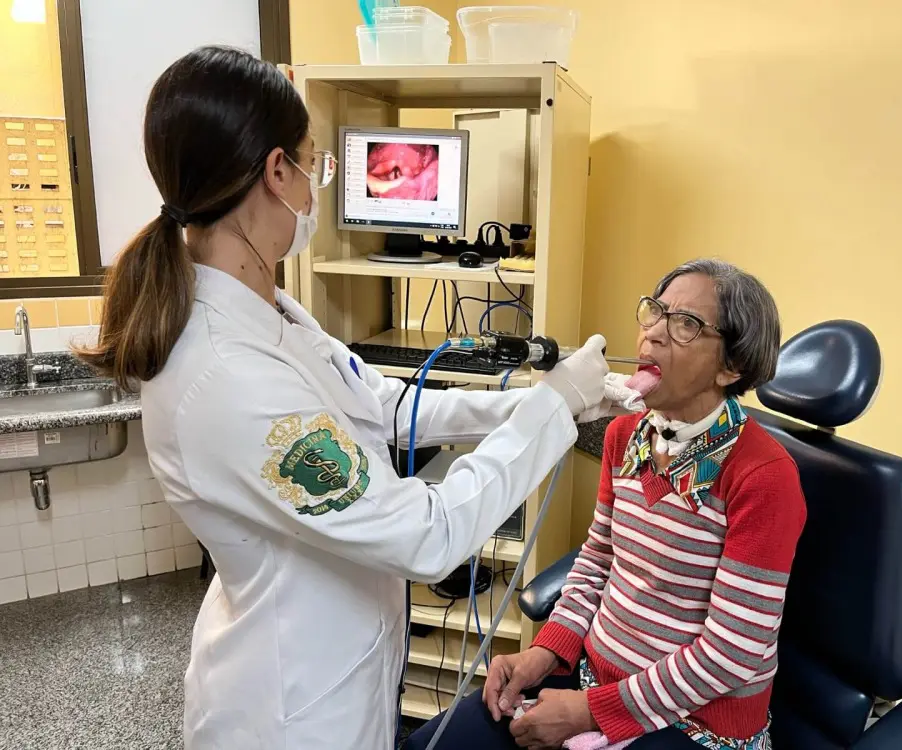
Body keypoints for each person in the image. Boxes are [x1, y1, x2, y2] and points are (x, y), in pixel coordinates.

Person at [76, 46, 611, 750]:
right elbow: (425, 535)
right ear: (276, 171)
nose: (315, 186)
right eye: (314, 164)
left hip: (344, 662)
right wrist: (549, 413)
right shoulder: (224, 376)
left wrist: (540, 399)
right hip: (294, 708)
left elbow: (387, 406)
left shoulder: (270, 313)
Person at [407, 259, 807, 750]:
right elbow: (597, 562)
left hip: (697, 723)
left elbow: (731, 654)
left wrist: (587, 712)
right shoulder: (625, 435)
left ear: (732, 367)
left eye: (685, 324)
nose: (653, 335)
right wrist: (546, 653)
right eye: (655, 312)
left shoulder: (763, 475)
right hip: (592, 678)